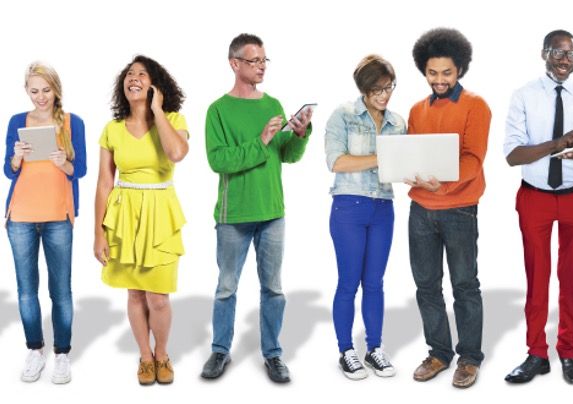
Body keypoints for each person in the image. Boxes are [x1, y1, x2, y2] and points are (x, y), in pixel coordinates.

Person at [200, 33, 312, 384]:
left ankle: (273, 354)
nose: (262, 66)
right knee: (226, 288)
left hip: (272, 213)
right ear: (235, 64)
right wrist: (261, 140)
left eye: (264, 60)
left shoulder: (273, 103)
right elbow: (219, 161)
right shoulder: (218, 110)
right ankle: (220, 350)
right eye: (254, 61)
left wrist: (300, 134)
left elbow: (287, 156)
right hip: (233, 216)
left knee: (273, 289)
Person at [502, 30, 573, 385]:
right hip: (536, 197)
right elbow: (513, 155)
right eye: (558, 52)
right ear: (544, 53)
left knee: (571, 278)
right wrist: (556, 144)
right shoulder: (524, 95)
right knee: (537, 277)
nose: (564, 59)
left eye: (571, 54)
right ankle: (536, 353)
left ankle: (569, 351)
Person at [93, 55, 189, 386]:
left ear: (155, 85)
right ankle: (145, 357)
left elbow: (177, 153)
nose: (134, 78)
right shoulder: (112, 129)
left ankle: (162, 353)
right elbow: (104, 184)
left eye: (142, 74)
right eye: (129, 74)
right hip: (124, 215)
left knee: (158, 297)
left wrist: (158, 110)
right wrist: (98, 233)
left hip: (160, 214)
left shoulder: (173, 119)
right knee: (135, 294)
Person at [406, 28, 491, 389]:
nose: (439, 80)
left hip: (459, 208)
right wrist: (406, 172)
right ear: (423, 71)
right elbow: (412, 155)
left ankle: (469, 357)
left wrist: (442, 185)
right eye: (432, 73)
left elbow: (473, 159)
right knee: (426, 285)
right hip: (420, 210)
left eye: (446, 73)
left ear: (460, 70)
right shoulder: (416, 110)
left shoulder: (476, 105)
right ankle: (439, 353)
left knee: (464, 285)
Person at [3, 62, 87, 384]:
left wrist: (64, 162)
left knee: (60, 290)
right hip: (21, 217)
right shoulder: (16, 121)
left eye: (46, 90)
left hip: (58, 217)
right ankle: (35, 350)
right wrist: (16, 157)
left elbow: (80, 170)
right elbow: (9, 171)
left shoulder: (72, 122)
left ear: (56, 89)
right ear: (26, 91)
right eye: (34, 90)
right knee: (26, 290)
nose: (40, 97)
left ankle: (61, 353)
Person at [324, 55, 405, 380]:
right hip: (349, 206)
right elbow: (336, 162)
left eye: (389, 87)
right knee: (348, 282)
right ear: (364, 88)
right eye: (377, 89)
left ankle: (374, 349)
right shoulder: (343, 115)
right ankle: (346, 350)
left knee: (375, 283)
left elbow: (401, 166)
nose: (384, 95)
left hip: (383, 207)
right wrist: (382, 157)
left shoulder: (397, 122)